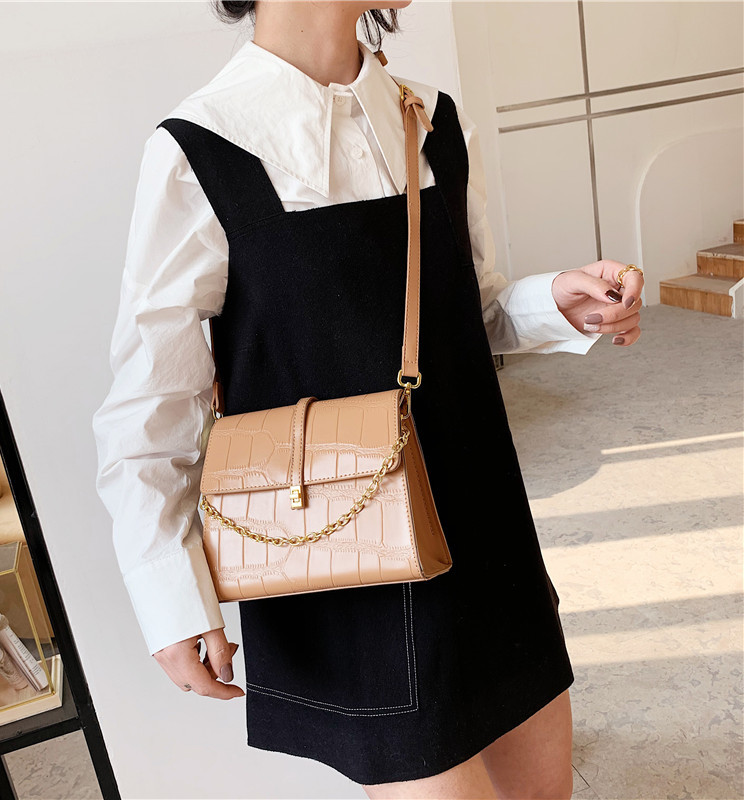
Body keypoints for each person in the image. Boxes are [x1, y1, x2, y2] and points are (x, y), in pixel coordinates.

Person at [92, 2, 644, 797]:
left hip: (484, 530)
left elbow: (468, 312)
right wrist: (168, 593)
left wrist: (559, 301)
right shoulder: (202, 149)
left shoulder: (433, 121)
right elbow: (153, 404)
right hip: (349, 561)